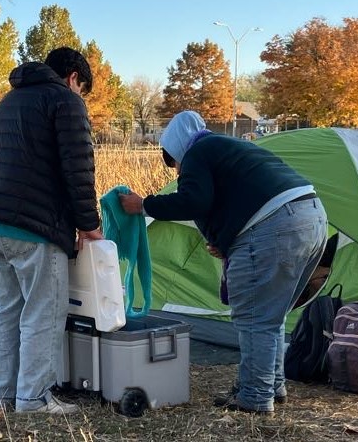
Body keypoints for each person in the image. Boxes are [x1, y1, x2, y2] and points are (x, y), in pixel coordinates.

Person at [119, 110, 327, 415]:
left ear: (177, 148)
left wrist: (144, 205)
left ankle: (255, 397)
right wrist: (229, 242)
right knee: (272, 314)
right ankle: (272, 385)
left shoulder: (198, 152)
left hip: (275, 226)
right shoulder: (227, 147)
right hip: (312, 217)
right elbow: (234, 198)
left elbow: (195, 201)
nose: (177, 171)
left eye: (174, 163)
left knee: (256, 318)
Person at [0, 47, 103, 414]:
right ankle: (34, 399)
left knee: (5, 312)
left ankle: (4, 398)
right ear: (74, 77)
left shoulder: (11, 100)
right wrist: (90, 225)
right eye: (82, 88)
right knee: (44, 311)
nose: (80, 96)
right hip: (33, 227)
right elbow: (78, 168)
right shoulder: (64, 101)